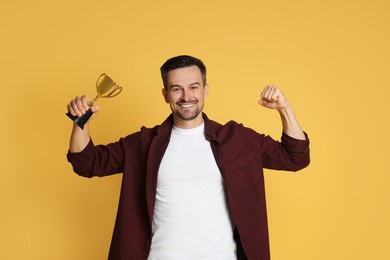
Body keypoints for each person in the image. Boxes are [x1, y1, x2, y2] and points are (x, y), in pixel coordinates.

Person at [66, 55, 310, 260]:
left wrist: (284, 108)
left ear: (205, 90)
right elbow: (87, 163)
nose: (186, 96)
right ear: (165, 94)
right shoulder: (142, 144)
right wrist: (81, 120)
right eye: (176, 89)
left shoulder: (237, 139)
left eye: (194, 87)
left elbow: (295, 157)